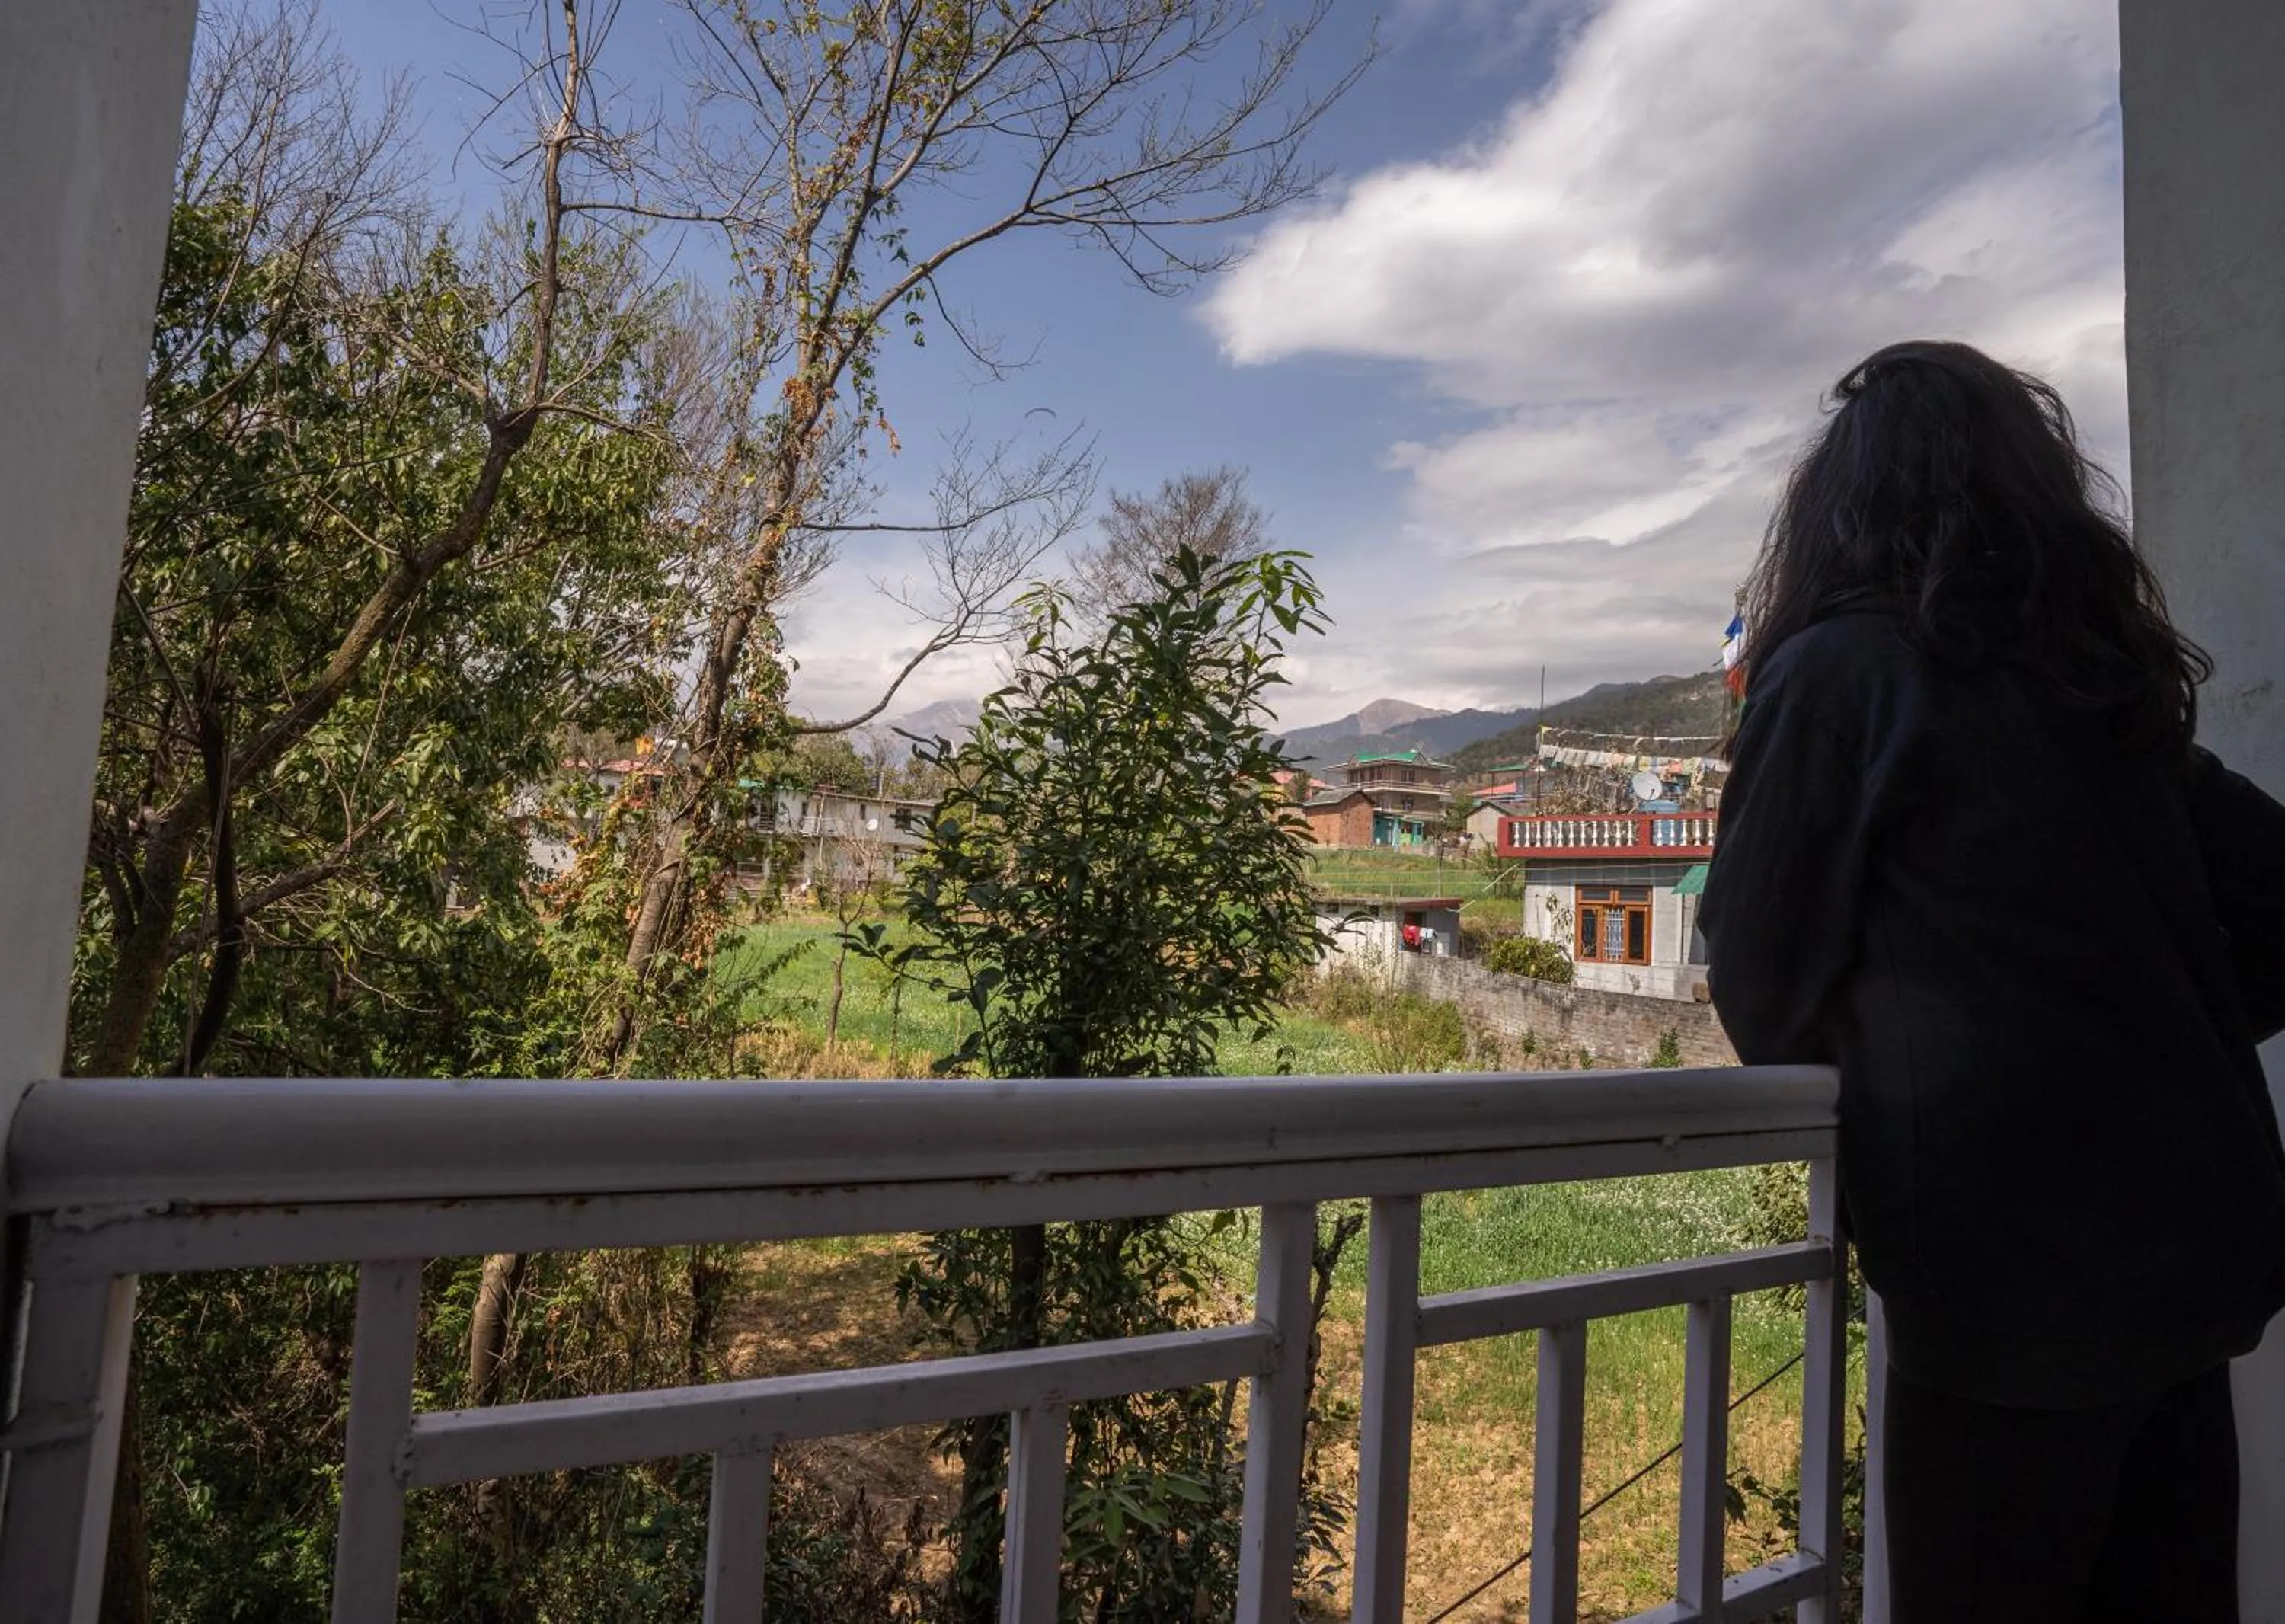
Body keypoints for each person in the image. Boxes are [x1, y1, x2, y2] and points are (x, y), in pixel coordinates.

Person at [1699, 340, 2285, 1622]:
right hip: (2195, 1269)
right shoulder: (2103, 694)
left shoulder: (1841, 673)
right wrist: (2157, 1020)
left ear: (1838, 504)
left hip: (2009, 1284)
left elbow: (1759, 975)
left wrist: (1941, 1053)